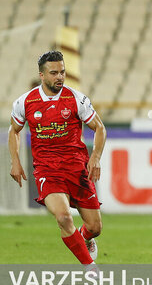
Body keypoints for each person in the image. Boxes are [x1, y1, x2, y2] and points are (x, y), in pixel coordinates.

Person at [8, 51, 106, 273]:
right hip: (47, 170)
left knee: (95, 227)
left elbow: (99, 127)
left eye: (62, 72)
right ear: (42, 75)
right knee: (63, 217)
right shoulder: (25, 102)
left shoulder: (76, 99)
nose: (59, 77)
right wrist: (15, 161)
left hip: (77, 169)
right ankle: (90, 269)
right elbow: (14, 131)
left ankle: (83, 237)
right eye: (54, 73)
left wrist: (96, 157)